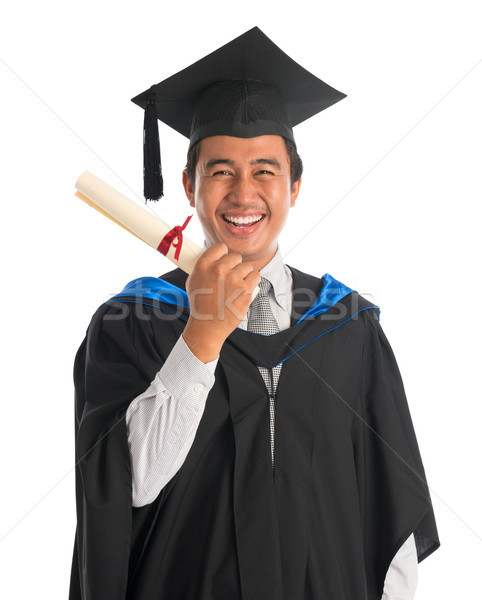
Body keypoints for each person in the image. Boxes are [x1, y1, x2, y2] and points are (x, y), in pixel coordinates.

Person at [69, 27, 440, 600]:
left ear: (295, 187)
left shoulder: (348, 325)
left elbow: (393, 523)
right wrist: (202, 337)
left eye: (265, 170)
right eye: (221, 172)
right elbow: (127, 487)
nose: (244, 194)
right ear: (190, 185)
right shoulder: (134, 322)